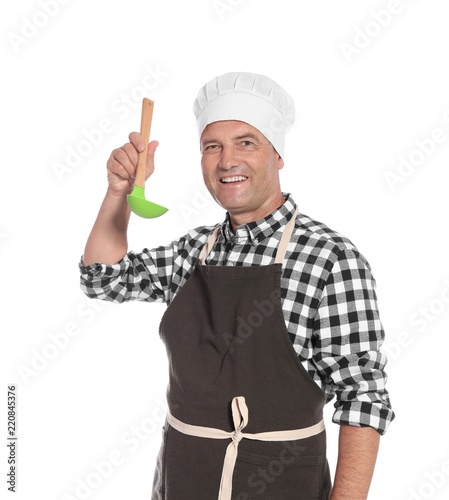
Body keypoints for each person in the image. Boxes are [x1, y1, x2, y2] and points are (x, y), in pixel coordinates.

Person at [79, 72, 395, 500]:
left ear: (277, 155)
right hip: (182, 483)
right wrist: (118, 191)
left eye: (246, 142)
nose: (227, 160)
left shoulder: (331, 259)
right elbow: (104, 279)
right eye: (213, 147)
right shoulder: (193, 251)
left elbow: (363, 399)